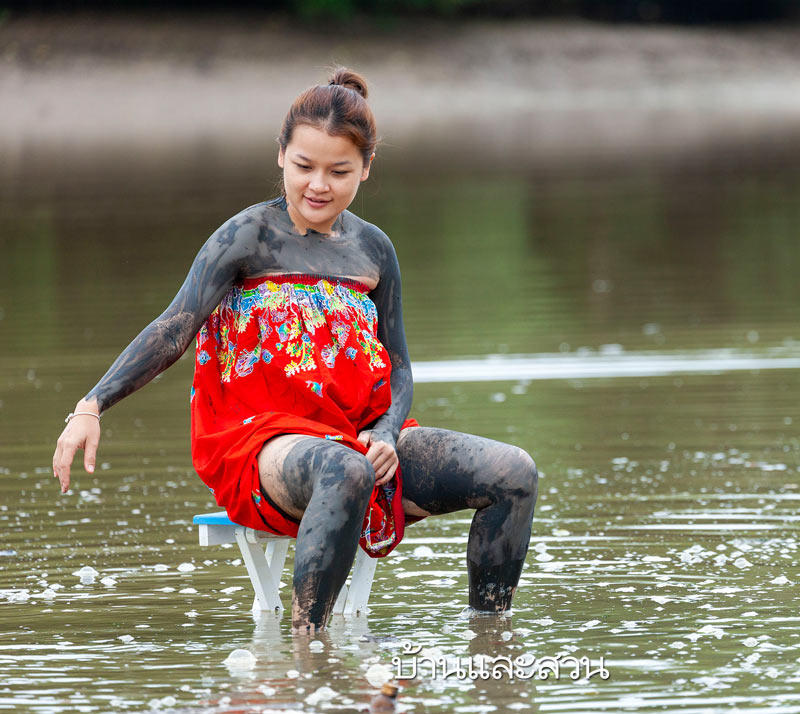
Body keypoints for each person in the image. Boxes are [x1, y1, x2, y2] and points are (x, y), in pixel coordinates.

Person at [51, 68, 538, 633]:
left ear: (367, 168)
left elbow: (399, 367)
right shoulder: (246, 237)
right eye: (304, 166)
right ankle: (311, 651)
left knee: (513, 472)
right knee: (345, 469)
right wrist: (91, 405)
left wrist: (385, 432)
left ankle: (491, 643)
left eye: (339, 171)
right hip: (262, 443)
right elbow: (174, 328)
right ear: (281, 155)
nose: (318, 185)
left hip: (358, 434)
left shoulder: (374, 249)